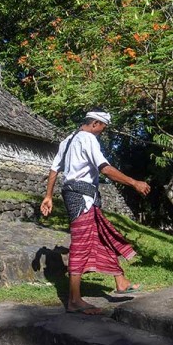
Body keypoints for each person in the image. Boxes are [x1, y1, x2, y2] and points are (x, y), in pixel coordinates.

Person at [40, 110, 151, 315]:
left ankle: (120, 280)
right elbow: (105, 168)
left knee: (101, 235)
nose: (102, 132)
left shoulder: (68, 140)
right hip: (81, 196)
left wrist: (48, 196)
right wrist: (134, 182)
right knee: (80, 244)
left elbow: (54, 169)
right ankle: (74, 300)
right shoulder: (88, 139)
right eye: (103, 128)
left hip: (77, 194)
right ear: (95, 124)